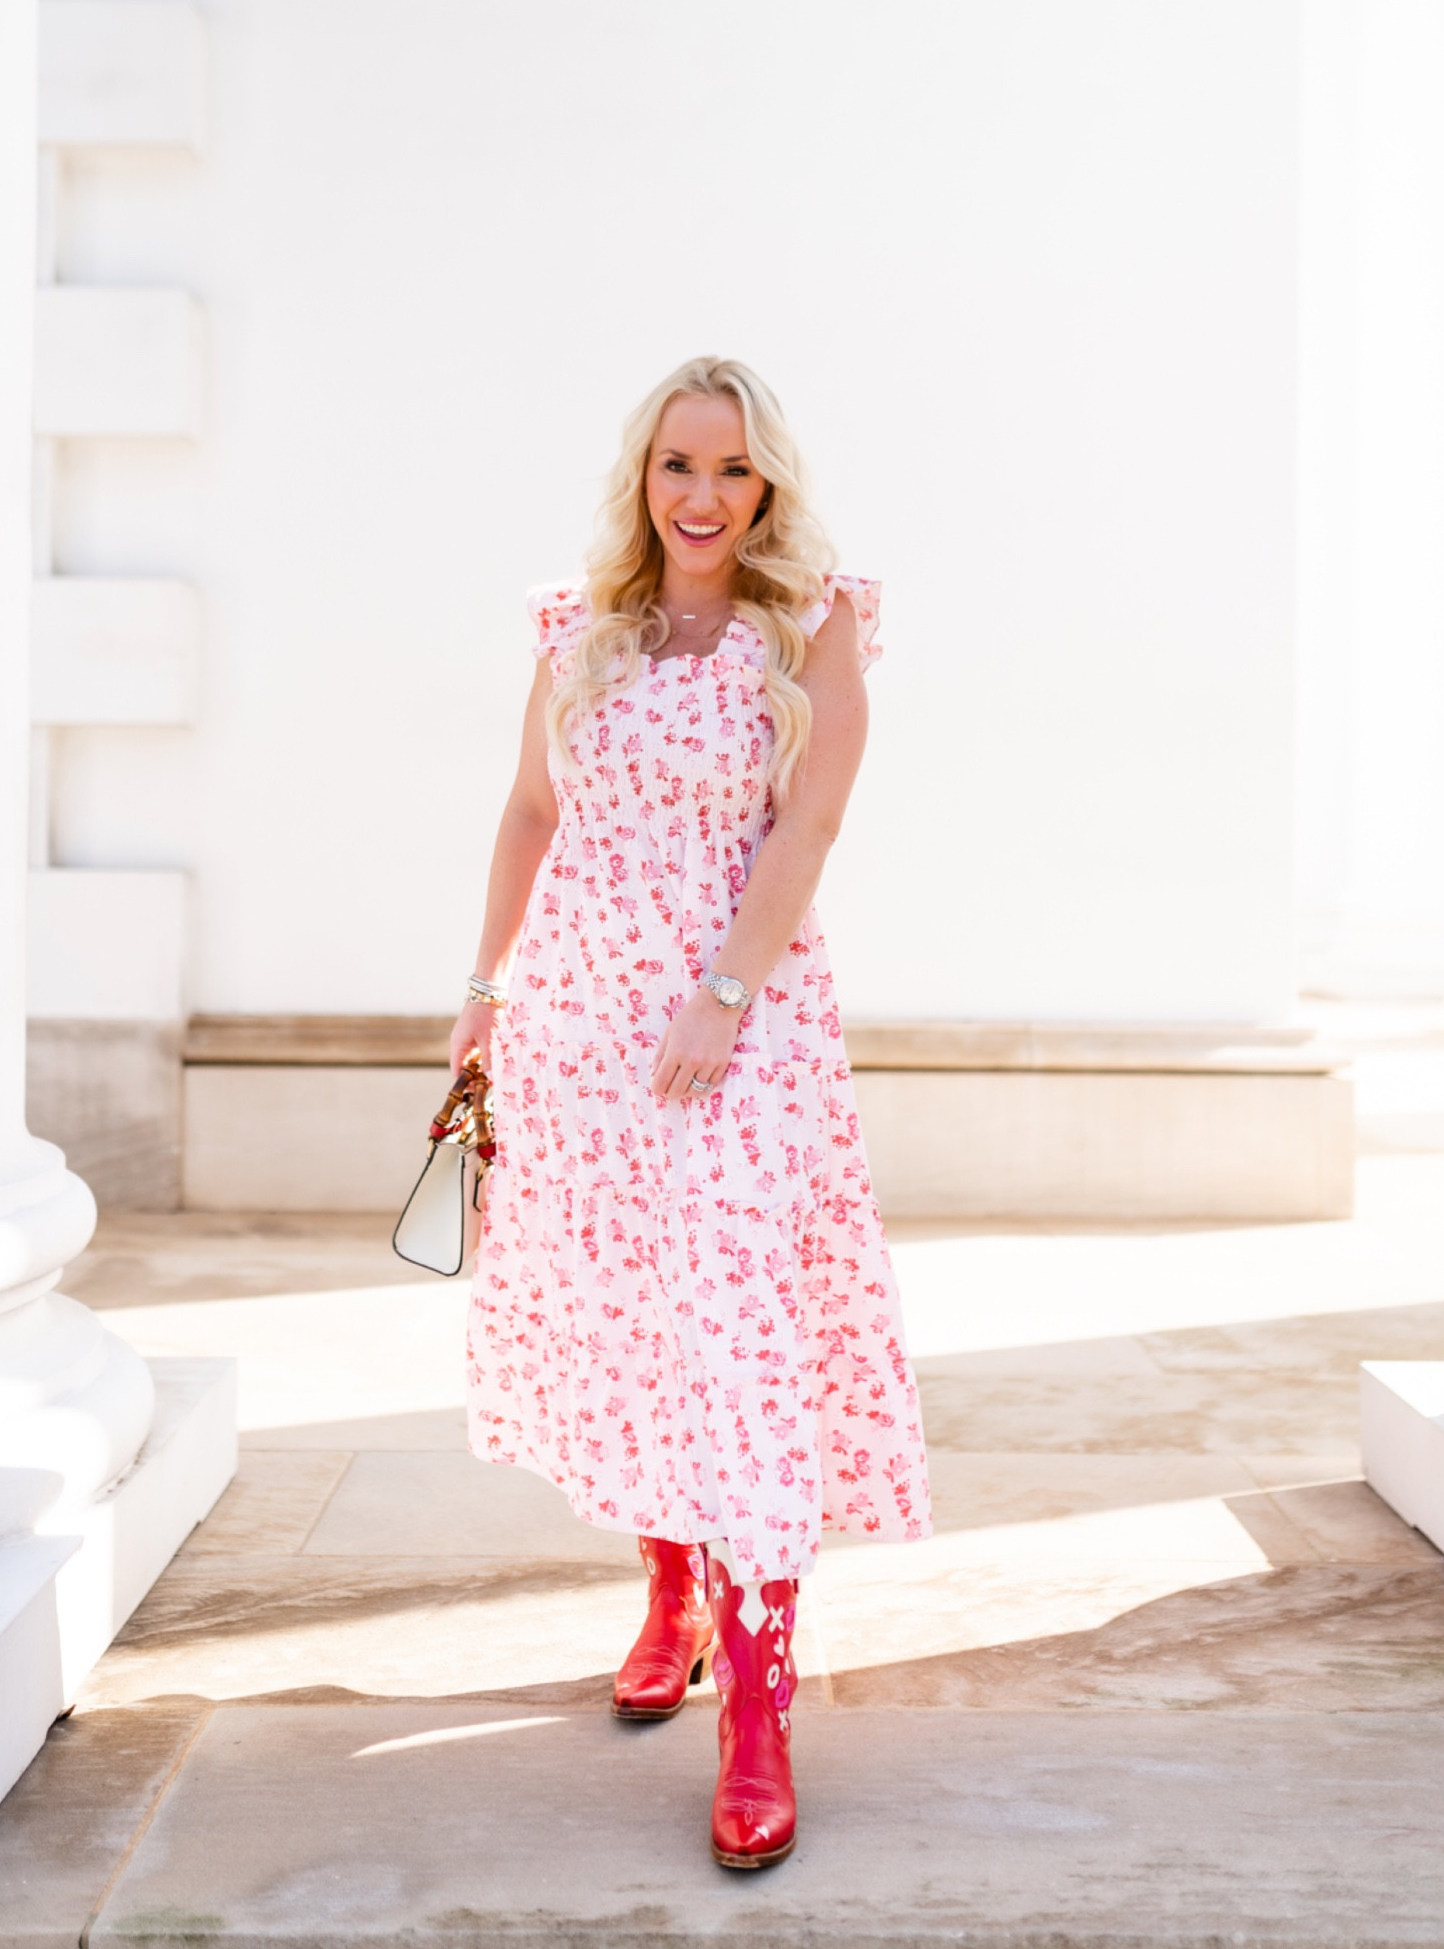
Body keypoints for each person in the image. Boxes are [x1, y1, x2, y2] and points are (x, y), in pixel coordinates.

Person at [452, 356, 932, 1868]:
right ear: (642, 475)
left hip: (745, 1021)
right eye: (677, 466)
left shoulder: (818, 621)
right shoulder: (574, 625)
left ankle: (761, 1710)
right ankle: (670, 1595)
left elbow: (815, 821)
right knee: (635, 1314)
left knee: (742, 1329)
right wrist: (486, 983)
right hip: (580, 1023)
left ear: (767, 484)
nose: (703, 498)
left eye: (731, 471)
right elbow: (532, 810)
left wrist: (720, 994)